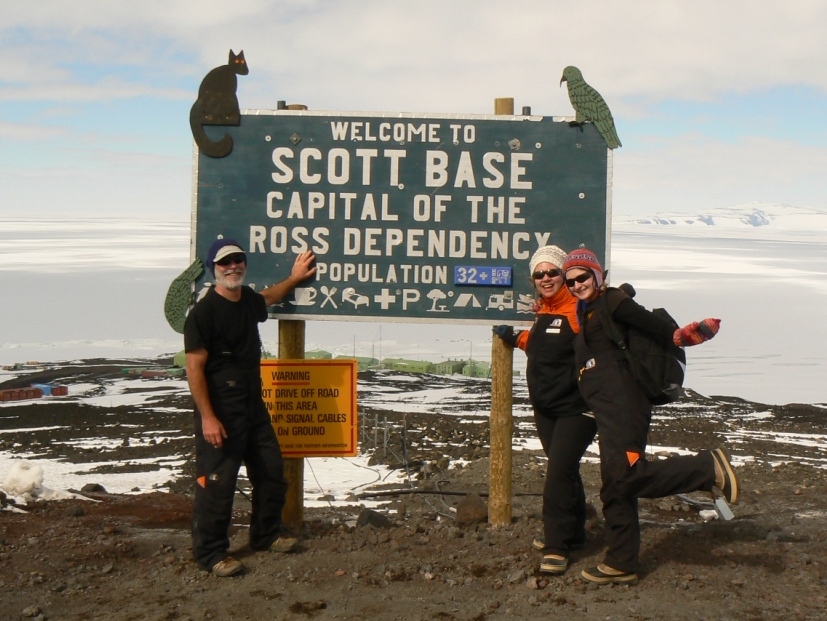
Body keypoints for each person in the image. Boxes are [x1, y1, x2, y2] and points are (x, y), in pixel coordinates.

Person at [562, 247, 738, 585]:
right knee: (615, 481)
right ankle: (621, 561)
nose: (576, 285)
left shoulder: (612, 301)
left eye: (582, 277)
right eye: (570, 281)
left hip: (624, 401)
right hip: (607, 405)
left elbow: (658, 329)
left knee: (626, 475)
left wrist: (686, 334)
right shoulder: (587, 311)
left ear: (597, 275)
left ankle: (707, 468)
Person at [184, 237, 316, 577]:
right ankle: (211, 554)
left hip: (252, 407)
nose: (233, 267)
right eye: (225, 263)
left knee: (271, 472)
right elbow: (194, 368)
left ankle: (266, 535)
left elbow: (268, 298)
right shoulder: (202, 313)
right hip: (220, 412)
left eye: (238, 261)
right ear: (214, 269)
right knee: (218, 484)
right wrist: (208, 418)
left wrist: (296, 278)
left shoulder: (246, 302)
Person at [493, 245, 597, 576]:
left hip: (578, 409)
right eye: (539, 274)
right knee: (563, 470)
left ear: (564, 274)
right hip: (547, 408)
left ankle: (556, 546)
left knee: (557, 474)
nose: (546, 278)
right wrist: (517, 338)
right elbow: (547, 348)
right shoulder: (544, 310)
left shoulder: (579, 312)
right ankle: (575, 532)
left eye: (552, 271)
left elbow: (594, 344)